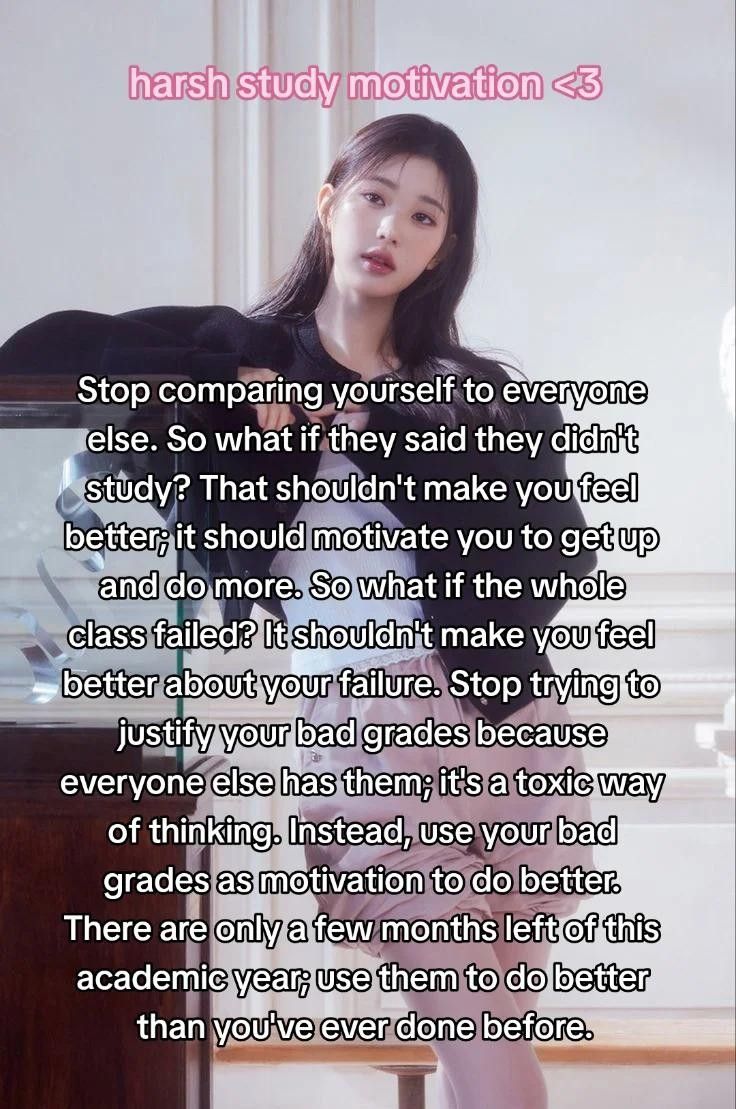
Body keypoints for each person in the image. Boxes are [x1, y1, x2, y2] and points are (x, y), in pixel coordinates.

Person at [0, 114, 599, 1109]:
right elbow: (42, 352)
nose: (390, 228)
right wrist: (236, 371)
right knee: (500, 1065)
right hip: (366, 735)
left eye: (424, 214)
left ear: (444, 246)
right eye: (374, 196)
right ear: (329, 205)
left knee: (484, 1046)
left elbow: (560, 552)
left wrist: (406, 444)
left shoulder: (476, 394)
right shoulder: (242, 361)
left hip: (515, 731)